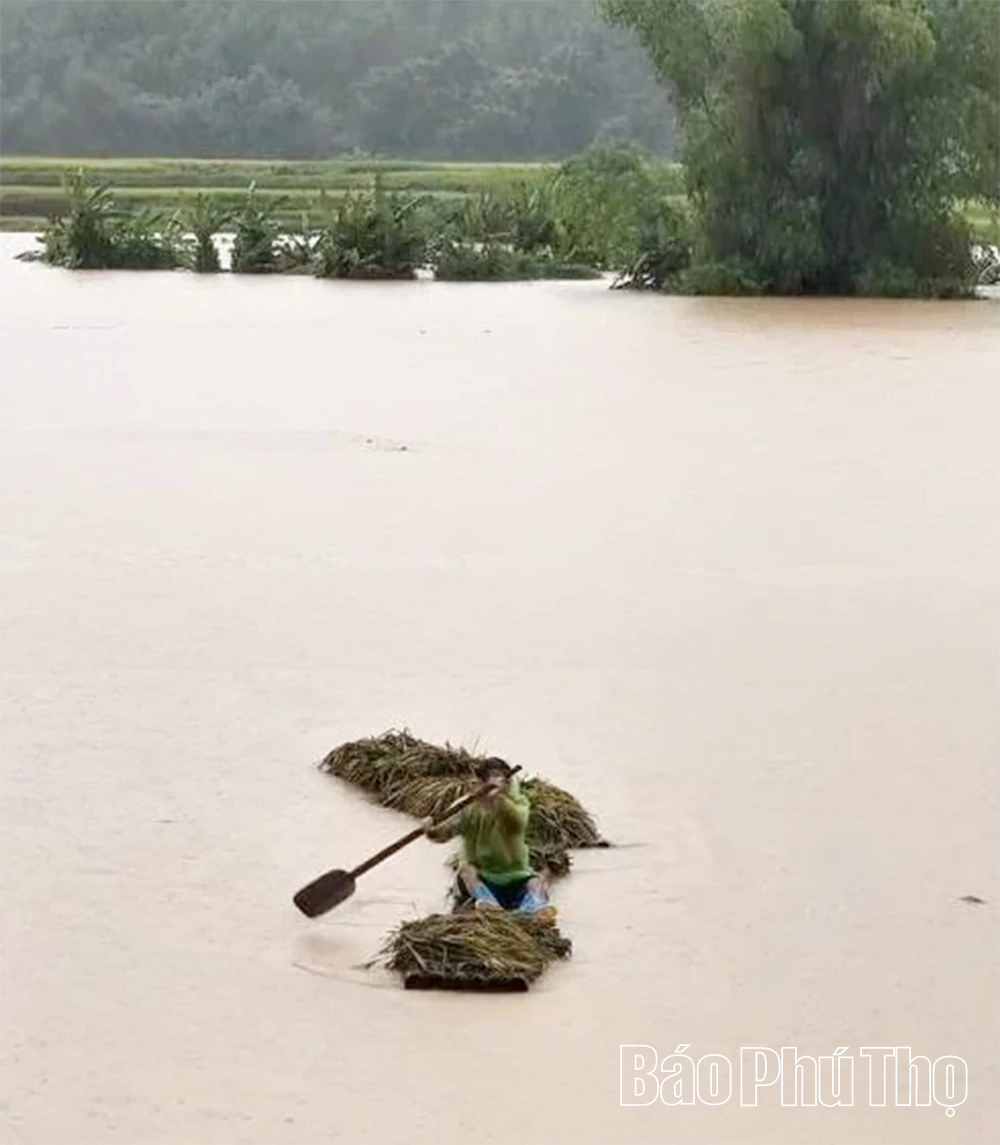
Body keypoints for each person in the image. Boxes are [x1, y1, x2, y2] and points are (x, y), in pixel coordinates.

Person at [423, 757, 551, 914]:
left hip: (515, 875)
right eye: (490, 777)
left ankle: (531, 910)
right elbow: (445, 833)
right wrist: (431, 831)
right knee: (467, 871)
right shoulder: (467, 806)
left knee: (536, 882)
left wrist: (499, 800)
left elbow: (516, 823)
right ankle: (489, 905)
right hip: (481, 877)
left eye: (499, 777)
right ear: (480, 782)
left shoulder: (518, 803)